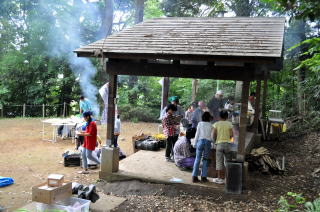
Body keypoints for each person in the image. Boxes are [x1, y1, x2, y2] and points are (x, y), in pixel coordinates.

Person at [212, 110, 233, 184]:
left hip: (219, 144)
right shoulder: (229, 124)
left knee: (219, 162)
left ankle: (219, 178)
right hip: (227, 145)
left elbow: (214, 134)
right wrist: (228, 140)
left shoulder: (216, 124)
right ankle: (228, 178)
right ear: (227, 116)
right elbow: (231, 135)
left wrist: (215, 141)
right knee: (228, 162)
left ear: (219, 116)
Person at [192, 112, 213, 183]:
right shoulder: (211, 125)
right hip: (207, 142)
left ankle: (194, 177)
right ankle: (203, 177)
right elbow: (212, 136)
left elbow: (197, 134)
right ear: (209, 118)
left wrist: (195, 143)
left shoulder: (200, 124)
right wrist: (213, 143)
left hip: (200, 142)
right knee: (205, 160)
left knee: (197, 159)